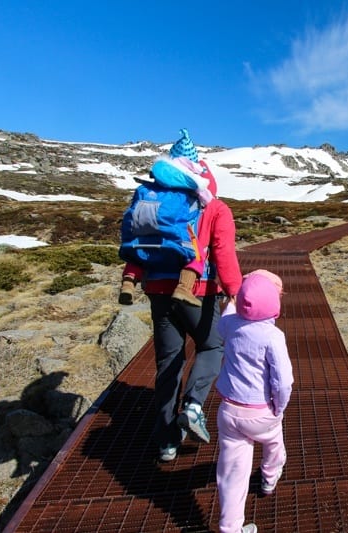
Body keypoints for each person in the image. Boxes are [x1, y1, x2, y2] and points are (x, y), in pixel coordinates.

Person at [120, 129, 243, 462]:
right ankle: (192, 405)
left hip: (156, 289)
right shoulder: (215, 209)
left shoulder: (151, 199)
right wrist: (235, 293)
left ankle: (166, 441)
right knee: (212, 345)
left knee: (168, 362)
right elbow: (223, 254)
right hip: (196, 292)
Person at [214, 270, 292, 533]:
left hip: (229, 411)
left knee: (232, 472)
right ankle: (269, 479)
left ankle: (230, 527)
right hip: (262, 413)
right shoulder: (273, 336)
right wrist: (279, 407)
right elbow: (282, 381)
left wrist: (234, 299)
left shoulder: (230, 325)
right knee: (274, 444)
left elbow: (224, 316)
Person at [119, 128, 216, 308]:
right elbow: (207, 198)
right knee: (196, 254)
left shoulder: (156, 177)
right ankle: (184, 288)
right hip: (172, 236)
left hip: (143, 234)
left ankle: (128, 283)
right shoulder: (189, 182)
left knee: (136, 253)